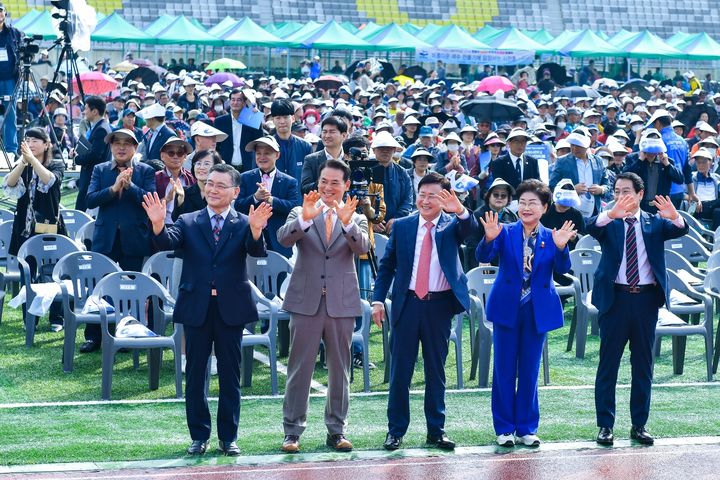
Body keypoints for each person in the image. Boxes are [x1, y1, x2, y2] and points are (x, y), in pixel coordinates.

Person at [143, 164, 272, 457]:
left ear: (235, 192)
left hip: (231, 308)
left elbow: (256, 251)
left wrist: (255, 230)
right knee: (196, 373)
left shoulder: (243, 222)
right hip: (197, 306)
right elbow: (167, 242)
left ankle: (229, 438)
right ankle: (199, 436)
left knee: (230, 374)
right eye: (210, 184)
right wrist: (158, 224)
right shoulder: (189, 220)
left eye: (220, 186)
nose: (212, 190)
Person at [371, 172, 478, 451]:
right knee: (400, 372)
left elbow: (472, 232)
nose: (426, 200)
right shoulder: (404, 226)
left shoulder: (452, 224)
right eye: (422, 194)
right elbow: (387, 266)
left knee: (435, 370)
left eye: (434, 195)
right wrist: (378, 300)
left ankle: (436, 430)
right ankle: (395, 431)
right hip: (407, 304)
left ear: (445, 198)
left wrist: (462, 211)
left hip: (439, 306)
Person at [588, 172, 688, 447]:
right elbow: (591, 227)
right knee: (608, 365)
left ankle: (639, 424)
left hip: (645, 300)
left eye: (626, 191)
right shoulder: (610, 221)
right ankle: (605, 426)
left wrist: (674, 215)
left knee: (643, 365)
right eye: (617, 191)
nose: (621, 196)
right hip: (615, 299)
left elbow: (680, 229)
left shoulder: (654, 222)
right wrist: (611, 212)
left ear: (640, 194)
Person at [277, 159, 369, 454]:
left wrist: (347, 222)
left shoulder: (356, 216)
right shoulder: (300, 210)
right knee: (299, 367)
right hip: (306, 301)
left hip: (341, 302)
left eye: (335, 183)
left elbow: (363, 247)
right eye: (323, 182)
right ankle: (292, 432)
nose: (328, 188)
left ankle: (337, 431)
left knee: (340, 369)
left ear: (346, 186)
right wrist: (304, 219)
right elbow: (283, 238)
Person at [477, 179, 576, 448]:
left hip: (536, 309)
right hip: (507, 307)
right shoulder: (505, 231)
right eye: (522, 202)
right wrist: (488, 237)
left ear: (544, 208)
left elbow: (563, 267)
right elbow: (483, 253)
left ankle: (527, 428)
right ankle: (505, 428)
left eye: (533, 203)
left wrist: (560, 246)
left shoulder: (551, 235)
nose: (526, 207)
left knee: (530, 370)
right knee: (504, 369)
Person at [80, 129, 157, 353]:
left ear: (135, 147)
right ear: (111, 147)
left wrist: (130, 186)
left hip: (134, 238)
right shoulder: (101, 169)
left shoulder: (146, 171)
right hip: (106, 238)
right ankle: (94, 335)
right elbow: (90, 198)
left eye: (127, 143)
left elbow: (150, 200)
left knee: (130, 287)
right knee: (100, 288)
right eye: (117, 144)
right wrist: (114, 188)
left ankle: (127, 333)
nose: (121, 148)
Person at [2, 128, 65, 330]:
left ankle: (57, 318)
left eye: (36, 140)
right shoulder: (24, 165)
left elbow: (49, 181)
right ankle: (30, 319)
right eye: (27, 139)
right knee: (26, 274)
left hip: (50, 228)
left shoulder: (56, 164)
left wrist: (33, 161)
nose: (31, 143)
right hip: (25, 230)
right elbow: (10, 185)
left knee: (53, 274)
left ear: (47, 144)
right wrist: (23, 161)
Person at [235, 136, 301, 257]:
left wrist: (270, 200)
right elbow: (238, 205)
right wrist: (255, 197)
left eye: (267, 153)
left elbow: (294, 207)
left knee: (279, 273)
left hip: (278, 239)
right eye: (258, 153)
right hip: (251, 237)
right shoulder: (245, 177)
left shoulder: (289, 181)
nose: (262, 157)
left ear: (277, 155)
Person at [550, 133, 609, 218]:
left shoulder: (598, 161)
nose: (574, 148)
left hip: (594, 214)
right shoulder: (562, 162)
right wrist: (571, 191)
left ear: (586, 146)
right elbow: (552, 186)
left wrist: (601, 189)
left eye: (578, 146)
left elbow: (608, 185)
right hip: (569, 213)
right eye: (572, 145)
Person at [648, 109, 697, 208]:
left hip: (662, 191)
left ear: (657, 123)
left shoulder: (658, 140)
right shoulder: (682, 141)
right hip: (679, 191)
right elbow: (687, 169)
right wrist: (692, 193)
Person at [622, 134, 683, 213]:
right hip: (638, 204)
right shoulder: (632, 158)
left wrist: (667, 164)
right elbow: (625, 177)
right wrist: (640, 161)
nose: (652, 152)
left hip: (660, 206)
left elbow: (680, 179)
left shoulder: (666, 161)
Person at [74, 96, 112, 211]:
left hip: (93, 176)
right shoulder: (99, 127)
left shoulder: (101, 129)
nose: (84, 112)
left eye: (86, 109)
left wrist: (77, 159)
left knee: (84, 213)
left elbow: (95, 155)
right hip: (92, 175)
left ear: (94, 111)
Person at [371, 132, 413, 234]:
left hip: (395, 227)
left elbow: (407, 201)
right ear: (374, 150)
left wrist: (397, 219)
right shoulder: (364, 170)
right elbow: (357, 200)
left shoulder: (402, 173)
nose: (385, 151)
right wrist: (370, 219)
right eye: (381, 148)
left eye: (389, 148)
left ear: (394, 150)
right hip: (368, 227)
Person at [215, 88, 263, 171]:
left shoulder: (251, 120)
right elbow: (216, 145)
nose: (235, 103)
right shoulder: (220, 121)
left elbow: (259, 142)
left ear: (244, 103)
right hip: (226, 166)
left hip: (247, 166)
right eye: (233, 100)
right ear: (229, 102)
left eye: (239, 100)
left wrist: (255, 116)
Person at [300, 116, 348, 193]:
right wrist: (324, 182)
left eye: (332, 132)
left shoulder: (350, 159)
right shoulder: (311, 159)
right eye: (324, 132)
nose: (327, 136)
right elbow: (305, 189)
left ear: (344, 135)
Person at [155, 137, 196, 225]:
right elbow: (148, 207)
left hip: (186, 226)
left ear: (185, 157)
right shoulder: (155, 178)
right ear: (162, 156)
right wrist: (167, 199)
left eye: (180, 153)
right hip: (161, 226)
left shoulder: (191, 178)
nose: (175, 156)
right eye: (171, 153)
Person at [173, 150, 224, 221]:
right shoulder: (184, 192)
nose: (201, 167)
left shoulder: (221, 192)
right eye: (198, 163)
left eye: (206, 164)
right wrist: (180, 201)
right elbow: (176, 220)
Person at [270, 99, 312, 182]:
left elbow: (310, 177)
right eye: (278, 118)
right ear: (273, 120)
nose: (282, 121)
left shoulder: (305, 146)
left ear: (293, 118)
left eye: (285, 117)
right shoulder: (266, 145)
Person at [0, 3, 22, 155]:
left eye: (0, 11)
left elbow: (21, 52)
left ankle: (11, 150)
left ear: (5, 14)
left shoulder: (14, 33)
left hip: (10, 79)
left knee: (10, 114)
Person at [691, 149, 720, 228]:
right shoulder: (691, 177)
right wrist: (696, 199)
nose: (701, 165)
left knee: (718, 211)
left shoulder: (716, 178)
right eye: (698, 162)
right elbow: (682, 194)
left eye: (704, 162)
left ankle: (714, 238)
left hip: (712, 208)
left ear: (710, 163)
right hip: (698, 208)